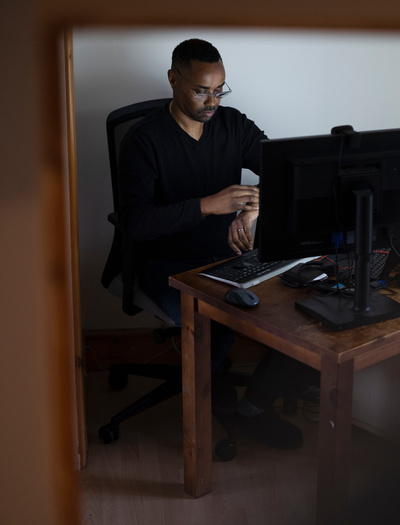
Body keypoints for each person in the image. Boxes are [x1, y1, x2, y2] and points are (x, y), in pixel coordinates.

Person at [118, 38, 316, 450]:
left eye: (219, 90)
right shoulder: (143, 141)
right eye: (201, 90)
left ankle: (254, 407)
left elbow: (285, 171)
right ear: (173, 79)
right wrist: (211, 205)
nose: (212, 102)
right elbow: (135, 222)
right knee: (215, 327)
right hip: (170, 266)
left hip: (231, 257)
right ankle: (205, 420)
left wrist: (253, 207)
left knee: (307, 308)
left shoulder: (233, 124)